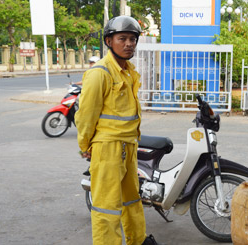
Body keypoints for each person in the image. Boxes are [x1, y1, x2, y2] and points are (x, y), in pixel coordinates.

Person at [75, 16, 160, 245]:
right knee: (106, 207)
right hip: (107, 148)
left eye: (132, 39)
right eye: (122, 38)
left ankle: (138, 240)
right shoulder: (100, 73)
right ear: (108, 41)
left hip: (128, 145)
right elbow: (85, 116)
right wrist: (85, 146)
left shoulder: (129, 71)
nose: (129, 44)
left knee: (132, 200)